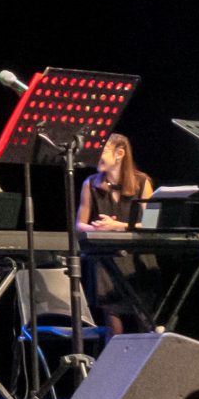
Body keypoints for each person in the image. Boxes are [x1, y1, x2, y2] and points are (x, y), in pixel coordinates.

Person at [77, 132, 158, 335]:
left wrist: (117, 225)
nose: (95, 156)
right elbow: (79, 226)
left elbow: (152, 224)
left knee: (144, 323)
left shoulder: (143, 182)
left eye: (101, 151)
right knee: (114, 328)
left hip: (137, 259)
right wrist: (98, 229)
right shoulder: (90, 184)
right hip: (107, 261)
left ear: (119, 153)